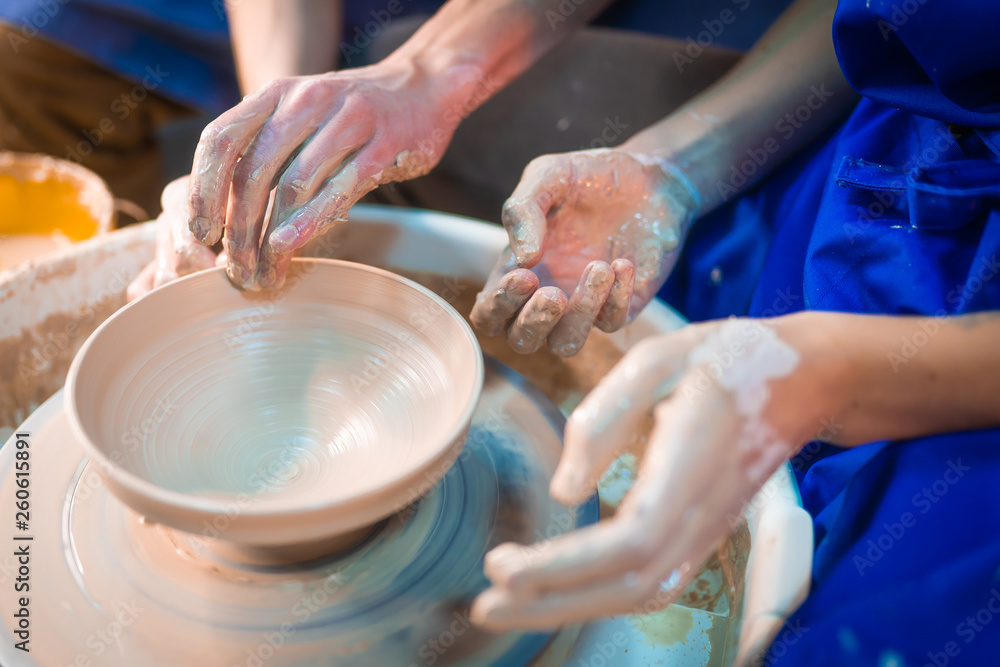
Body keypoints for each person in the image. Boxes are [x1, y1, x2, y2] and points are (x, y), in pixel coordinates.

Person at [144, 0, 1000, 663]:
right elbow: (883, 23)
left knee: (862, 630)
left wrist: (831, 373)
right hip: (899, 134)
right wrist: (432, 76)